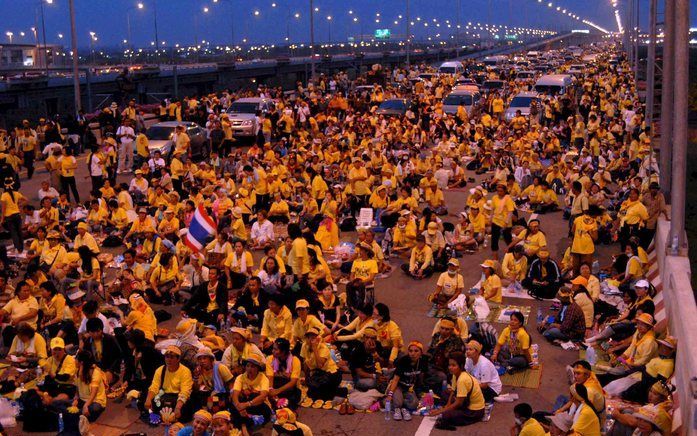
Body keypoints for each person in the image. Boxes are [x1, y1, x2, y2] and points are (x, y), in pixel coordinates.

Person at [429, 351, 486, 430]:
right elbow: (453, 391)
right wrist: (447, 405)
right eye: (449, 365)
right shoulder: (455, 374)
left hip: (474, 411)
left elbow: (459, 403)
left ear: (461, 366)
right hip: (465, 402)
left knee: (446, 415)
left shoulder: (462, 379)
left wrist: (441, 411)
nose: (450, 367)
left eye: (453, 365)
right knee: (444, 393)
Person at [145, 345, 194, 423]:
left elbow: (185, 392)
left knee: (185, 409)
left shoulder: (185, 371)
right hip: (164, 396)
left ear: (178, 359)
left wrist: (178, 408)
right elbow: (154, 386)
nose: (168, 360)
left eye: (172, 357)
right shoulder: (160, 370)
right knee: (146, 398)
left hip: (178, 399)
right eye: (167, 357)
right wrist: (148, 399)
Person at [300, 326, 342, 405]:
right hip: (318, 374)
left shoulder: (323, 348)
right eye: (308, 337)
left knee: (323, 395)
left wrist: (315, 348)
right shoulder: (304, 346)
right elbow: (305, 363)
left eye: (313, 338)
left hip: (331, 373)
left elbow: (320, 365)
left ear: (318, 338)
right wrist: (306, 379)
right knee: (311, 393)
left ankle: (340, 391)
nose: (310, 340)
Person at [231, 355, 272, 430]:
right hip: (243, 407)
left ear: (258, 368)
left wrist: (247, 404)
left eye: (253, 366)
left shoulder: (263, 378)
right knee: (233, 399)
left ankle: (243, 424)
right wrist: (239, 407)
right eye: (248, 366)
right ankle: (244, 426)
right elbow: (235, 394)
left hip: (259, 405)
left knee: (254, 395)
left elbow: (263, 396)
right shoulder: (240, 377)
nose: (249, 368)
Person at [83, 317, 122, 386]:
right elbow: (86, 359)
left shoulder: (110, 339)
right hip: (95, 370)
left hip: (109, 369)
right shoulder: (87, 342)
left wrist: (110, 371)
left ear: (102, 329)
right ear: (88, 332)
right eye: (92, 332)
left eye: (98, 331)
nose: (95, 334)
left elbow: (118, 356)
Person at [265, 338, 302, 410]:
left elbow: (293, 382)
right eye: (273, 349)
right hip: (275, 386)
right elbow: (270, 377)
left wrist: (277, 391)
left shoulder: (295, 360)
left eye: (276, 349)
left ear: (283, 352)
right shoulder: (270, 359)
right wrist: (271, 390)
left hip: (289, 389)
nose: (273, 351)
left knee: (285, 406)